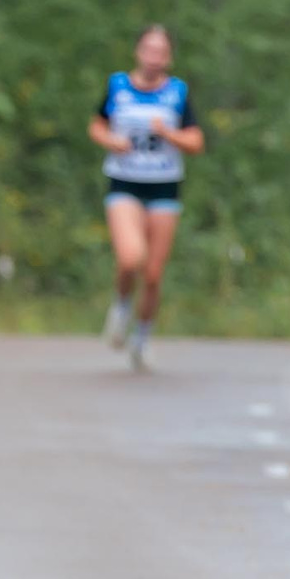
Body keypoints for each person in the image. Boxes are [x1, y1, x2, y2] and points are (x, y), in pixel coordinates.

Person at [90, 24, 205, 368]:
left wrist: (169, 133)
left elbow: (196, 142)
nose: (154, 57)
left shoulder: (177, 93)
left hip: (163, 186)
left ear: (168, 57)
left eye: (161, 51)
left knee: (153, 274)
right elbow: (96, 124)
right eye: (148, 49)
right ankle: (121, 306)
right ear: (138, 51)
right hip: (125, 183)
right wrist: (111, 141)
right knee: (130, 258)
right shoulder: (118, 87)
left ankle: (141, 338)